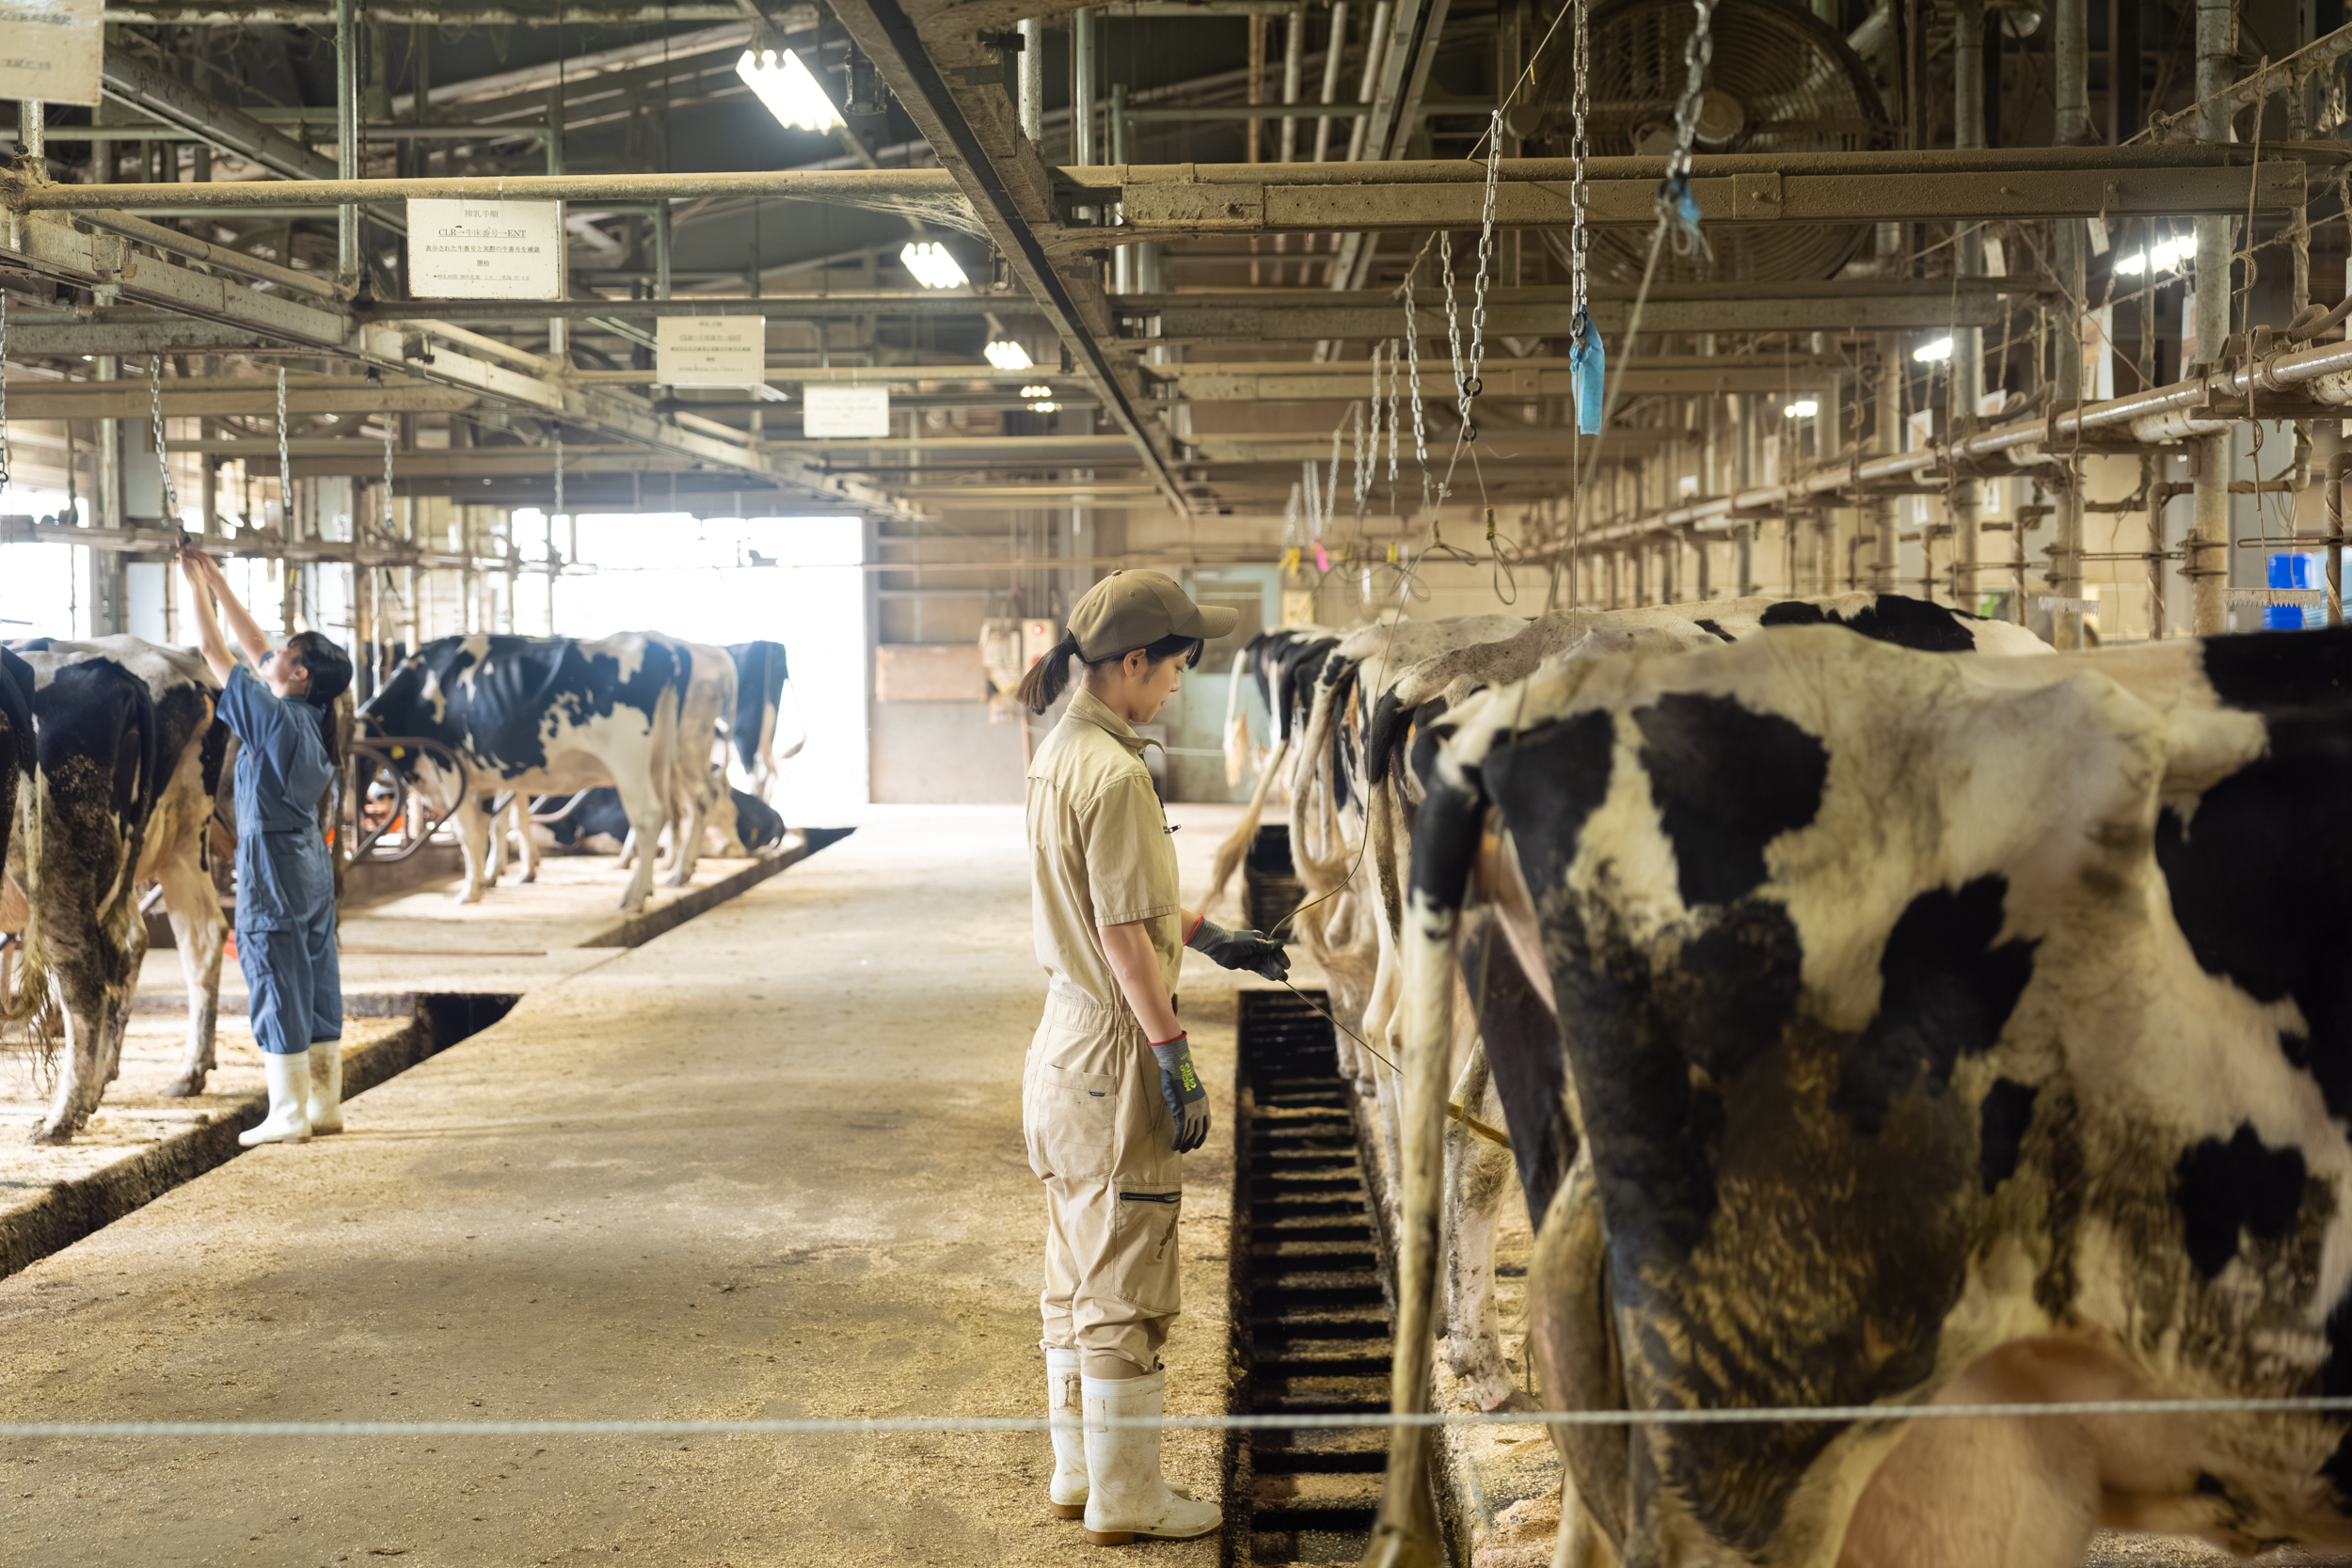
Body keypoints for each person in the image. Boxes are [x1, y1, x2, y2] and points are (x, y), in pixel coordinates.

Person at [1012, 571, 1292, 1547]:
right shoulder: (1120, 772)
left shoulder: (1063, 749)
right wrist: (1173, 1053)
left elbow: (1107, 903)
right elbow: (1125, 934)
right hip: (1115, 1047)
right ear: (1133, 661)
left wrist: (1213, 935)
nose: (1179, 680)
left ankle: (1079, 1470)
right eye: (1176, 663)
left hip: (1061, 1042)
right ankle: (1128, 1498)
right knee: (1128, 1267)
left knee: (1075, 1264)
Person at [178, 547, 354, 1148]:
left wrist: (192, 589)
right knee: (315, 969)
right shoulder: (312, 716)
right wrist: (215, 578)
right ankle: (324, 1103)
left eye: (284, 654)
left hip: (271, 863)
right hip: (309, 860)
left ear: (298, 674)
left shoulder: (272, 718)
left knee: (274, 972)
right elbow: (255, 647)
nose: (271, 653)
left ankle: (286, 1113)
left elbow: (213, 651)